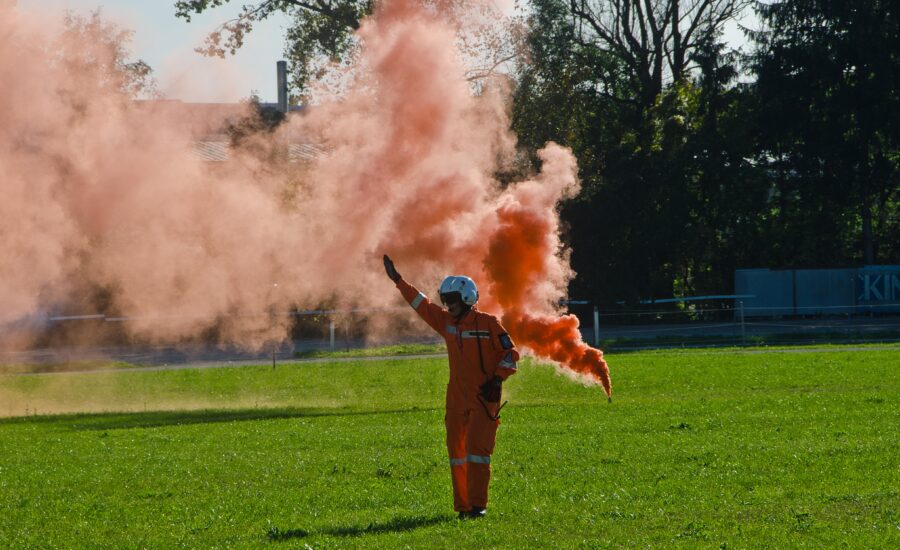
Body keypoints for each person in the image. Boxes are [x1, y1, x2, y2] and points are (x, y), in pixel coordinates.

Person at [383, 254, 519, 519]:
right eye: (445, 300)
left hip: (483, 399)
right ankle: (463, 507)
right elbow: (421, 305)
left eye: (452, 300)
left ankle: (478, 507)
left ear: (467, 298)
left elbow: (510, 354)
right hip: (456, 401)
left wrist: (498, 379)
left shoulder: (489, 323)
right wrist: (398, 281)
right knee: (457, 455)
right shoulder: (446, 322)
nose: (447, 305)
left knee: (477, 454)